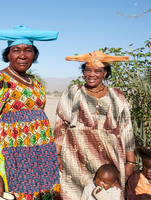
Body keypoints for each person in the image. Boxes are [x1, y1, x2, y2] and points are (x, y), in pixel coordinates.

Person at [0, 25, 60, 200]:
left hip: (40, 158)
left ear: (34, 54)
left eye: (28, 50)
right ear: (8, 54)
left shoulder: (36, 83)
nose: (22, 55)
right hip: (11, 160)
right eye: (16, 50)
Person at [54, 50, 136, 199]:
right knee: (74, 193)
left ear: (105, 73)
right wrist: (57, 154)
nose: (92, 74)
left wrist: (131, 161)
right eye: (88, 70)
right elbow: (61, 125)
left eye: (97, 71)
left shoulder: (117, 95)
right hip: (75, 155)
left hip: (109, 156)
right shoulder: (73, 92)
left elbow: (126, 128)